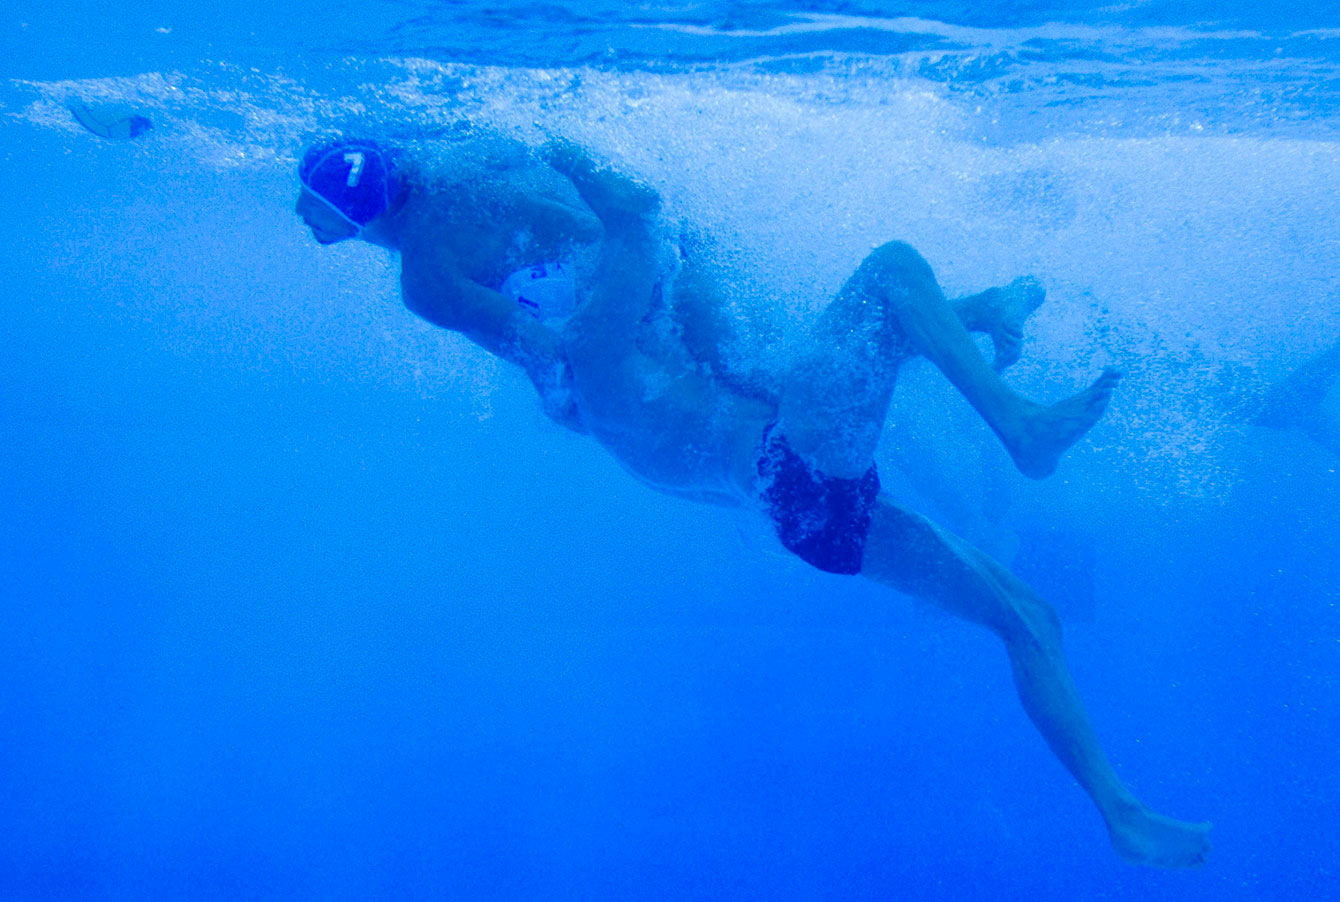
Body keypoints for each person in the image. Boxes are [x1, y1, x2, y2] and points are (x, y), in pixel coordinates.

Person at [294, 131, 1212, 867]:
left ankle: (1119, 808)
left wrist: (969, 311)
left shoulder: (624, 366)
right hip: (792, 481)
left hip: (797, 502)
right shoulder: (601, 357)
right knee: (890, 271)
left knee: (1029, 615)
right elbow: (629, 243)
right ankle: (1021, 427)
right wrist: (617, 213)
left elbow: (766, 358)